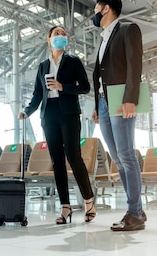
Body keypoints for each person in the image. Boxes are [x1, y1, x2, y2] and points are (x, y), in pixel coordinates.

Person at [18, 25, 95, 225]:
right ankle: (65, 207)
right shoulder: (43, 65)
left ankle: (88, 201)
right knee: (57, 161)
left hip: (68, 113)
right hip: (48, 114)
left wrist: (63, 87)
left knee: (74, 157)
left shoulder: (73, 61)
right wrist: (27, 111)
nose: (60, 36)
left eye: (63, 34)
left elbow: (85, 87)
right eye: (56, 34)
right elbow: (37, 93)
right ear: (48, 39)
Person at [91, 0, 146, 231]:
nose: (93, 13)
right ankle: (137, 209)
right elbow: (101, 75)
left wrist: (130, 99)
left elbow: (135, 65)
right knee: (117, 157)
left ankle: (134, 212)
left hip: (120, 100)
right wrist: (97, 105)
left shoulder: (127, 29)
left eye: (96, 9)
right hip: (104, 103)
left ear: (106, 9)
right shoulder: (103, 39)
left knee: (126, 155)